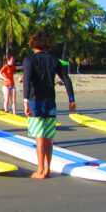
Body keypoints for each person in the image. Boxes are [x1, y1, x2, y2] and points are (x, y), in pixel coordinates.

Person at [23, 33, 76, 179]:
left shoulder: (29, 59)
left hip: (35, 102)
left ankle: (40, 170)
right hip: (50, 102)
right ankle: (47, 169)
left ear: (33, 44)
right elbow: (66, 79)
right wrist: (71, 99)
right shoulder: (54, 60)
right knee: (48, 138)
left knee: (39, 138)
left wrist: (25, 101)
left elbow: (27, 81)